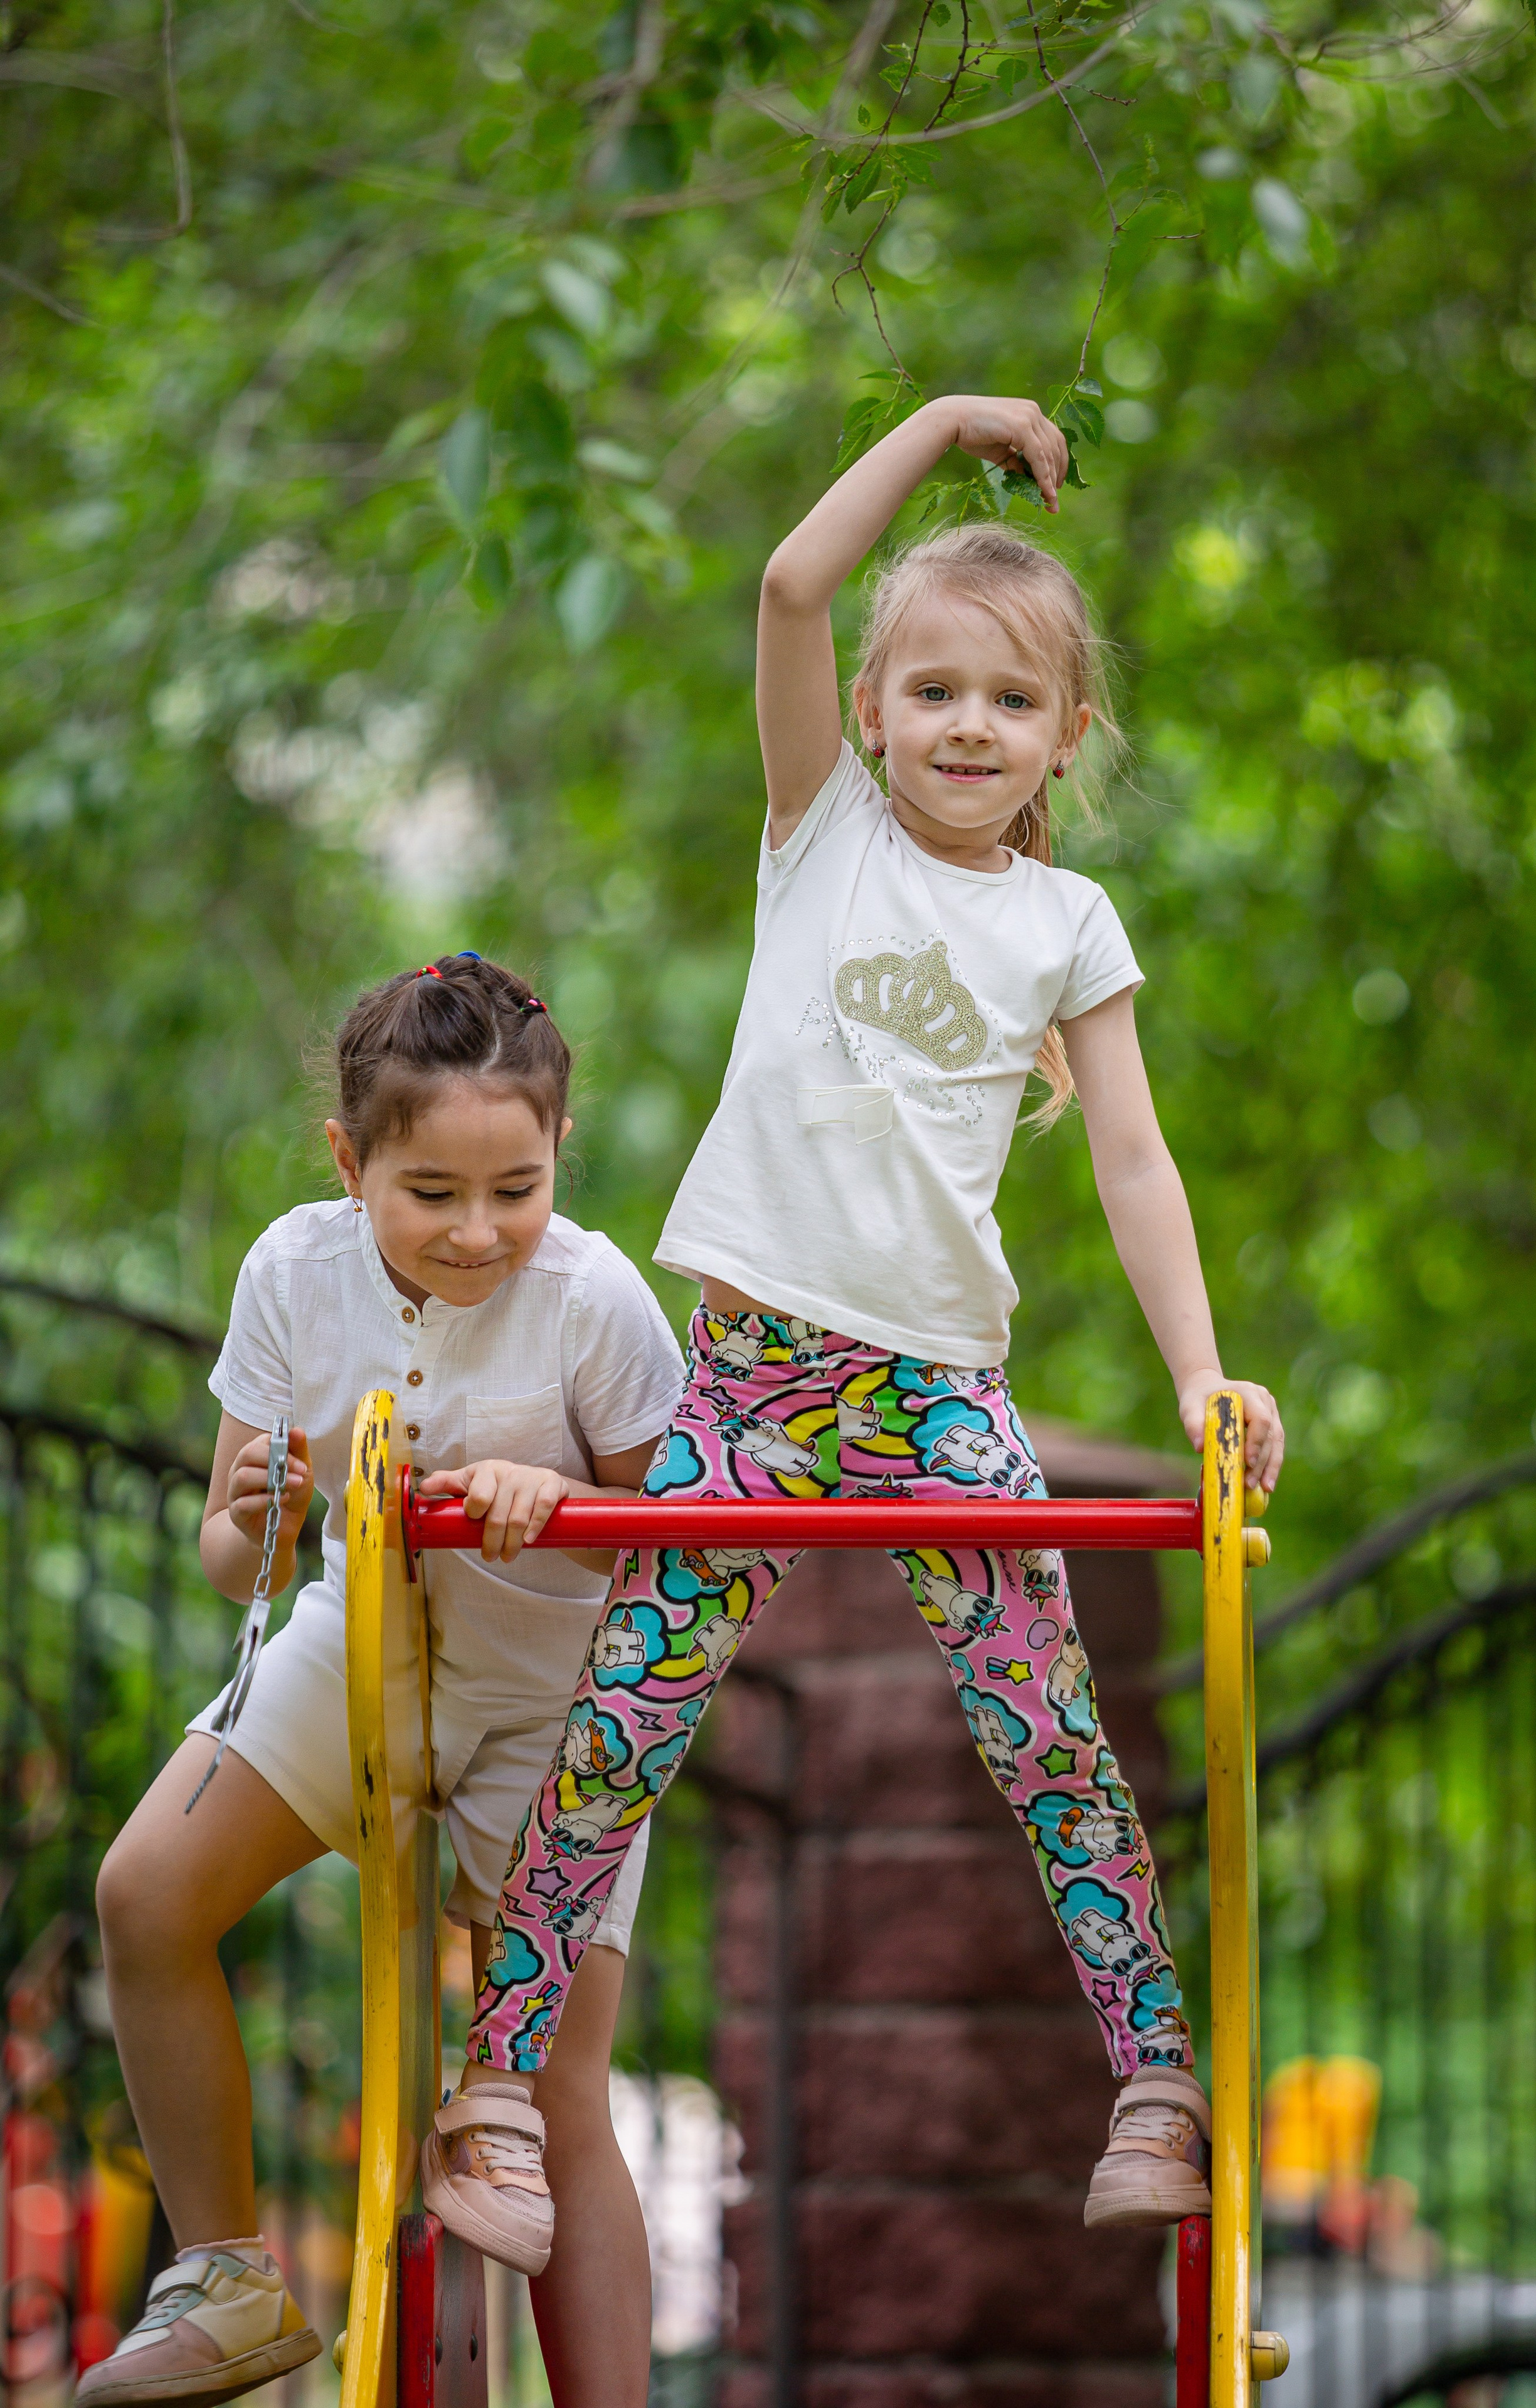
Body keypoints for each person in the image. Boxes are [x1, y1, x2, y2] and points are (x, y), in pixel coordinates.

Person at [421, 396, 1286, 2268]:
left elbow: (1132, 1159)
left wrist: (1201, 1371)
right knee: (620, 1733)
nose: (969, 726)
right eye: (936, 692)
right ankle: (494, 2089)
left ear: (1068, 732)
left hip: (936, 1396)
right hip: (748, 1386)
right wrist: (950, 426)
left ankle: (1153, 2082)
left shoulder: (1066, 918)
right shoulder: (817, 836)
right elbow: (795, 579)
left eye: (1011, 700)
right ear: (878, 713)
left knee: (1045, 1726)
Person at [80, 954, 686, 2408]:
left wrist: (553, 1491)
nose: (478, 1232)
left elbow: (682, 1565)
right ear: (351, 1161)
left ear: (557, 1155)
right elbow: (237, 1559)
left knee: (548, 2087)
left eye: (515, 1188)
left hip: (554, 1708)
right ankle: (225, 2277)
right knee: (143, 1896)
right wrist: (262, 1513)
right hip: (357, 1656)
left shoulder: (591, 1297)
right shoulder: (293, 1272)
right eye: (431, 1194)